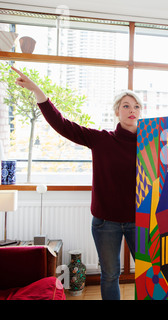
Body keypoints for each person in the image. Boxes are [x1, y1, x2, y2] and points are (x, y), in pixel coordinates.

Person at [12, 66, 142, 300]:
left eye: (136, 106)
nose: (132, 110)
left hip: (140, 220)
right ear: (117, 111)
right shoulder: (102, 139)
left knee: (149, 273)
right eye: (126, 105)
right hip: (106, 223)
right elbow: (62, 125)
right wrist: (37, 92)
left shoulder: (151, 143)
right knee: (110, 274)